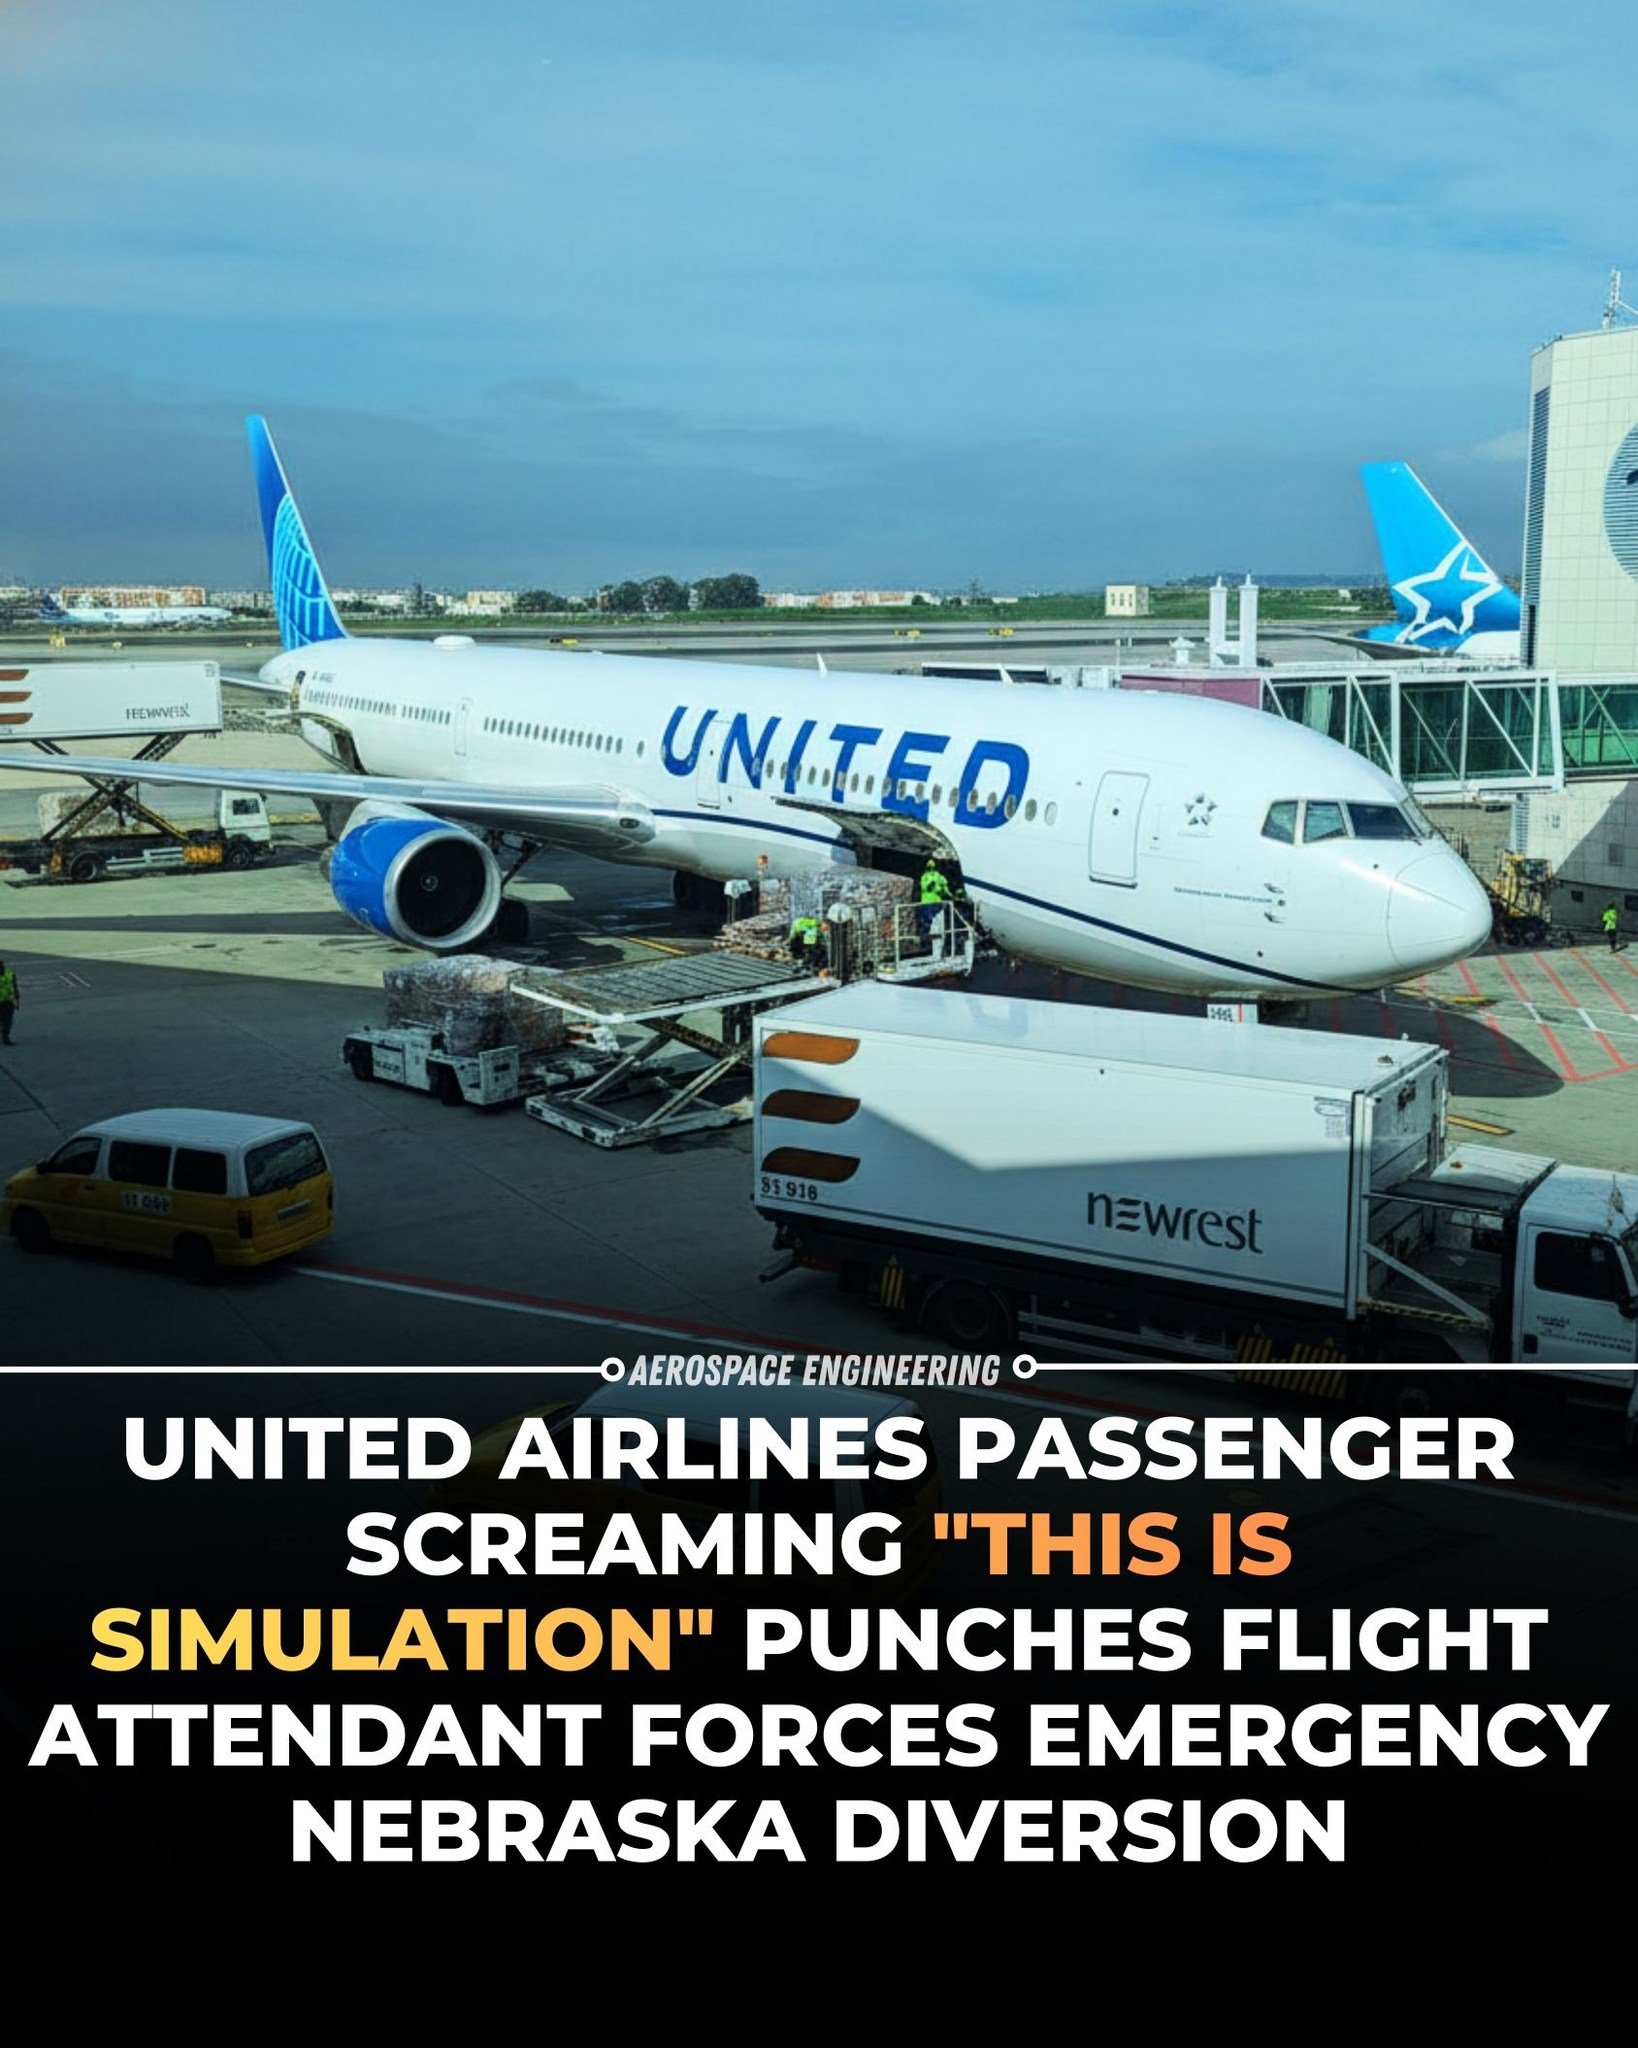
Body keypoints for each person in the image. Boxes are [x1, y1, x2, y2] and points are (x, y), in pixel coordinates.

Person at [918, 858, 952, 942]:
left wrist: (951, 896)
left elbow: (945, 888)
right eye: (930, 867)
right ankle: (925, 936)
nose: (931, 869)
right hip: (928, 902)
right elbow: (925, 887)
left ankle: (932, 935)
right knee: (928, 920)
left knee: (933, 919)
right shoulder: (925, 877)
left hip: (934, 902)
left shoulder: (937, 877)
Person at [0, 958, 16, 1046]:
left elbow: (14, 986)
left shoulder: (10, 974)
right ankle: (5, 1037)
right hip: (7, 1001)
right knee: (6, 1021)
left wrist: (16, 998)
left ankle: (5, 1037)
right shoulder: (10, 974)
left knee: (7, 1020)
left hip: (8, 1001)